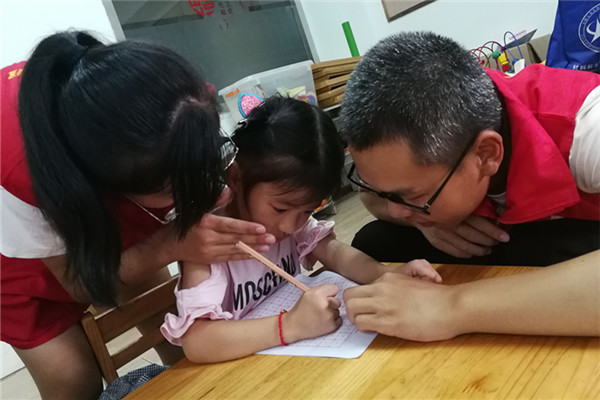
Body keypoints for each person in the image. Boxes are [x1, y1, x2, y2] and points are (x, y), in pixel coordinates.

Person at [1, 31, 275, 400]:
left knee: (178, 334)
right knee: (74, 381)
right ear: (109, 187)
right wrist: (171, 244)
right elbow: (83, 284)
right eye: (173, 189)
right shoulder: (16, 172)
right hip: (20, 267)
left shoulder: (177, 103)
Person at [337, 31, 600, 340]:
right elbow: (371, 198)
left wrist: (450, 307)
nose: (395, 210)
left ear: (486, 155)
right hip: (507, 235)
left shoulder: (586, 128)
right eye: (387, 194)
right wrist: (425, 219)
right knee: (376, 241)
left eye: (412, 196)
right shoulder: (453, 125)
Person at [160, 96, 442, 363]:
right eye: (280, 208)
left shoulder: (288, 222)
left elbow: (334, 252)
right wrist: (290, 326)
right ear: (235, 177)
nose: (291, 225)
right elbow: (197, 342)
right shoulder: (207, 243)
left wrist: (385, 275)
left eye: (307, 210)